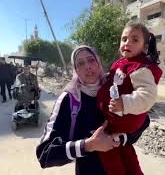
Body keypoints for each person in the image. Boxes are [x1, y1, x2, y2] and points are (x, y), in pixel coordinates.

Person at [36, 46, 150, 175]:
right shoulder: (70, 99)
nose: (87, 66)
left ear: (98, 63)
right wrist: (88, 145)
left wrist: (121, 138)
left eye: (91, 60)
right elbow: (45, 154)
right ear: (76, 70)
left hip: (124, 167)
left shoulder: (116, 88)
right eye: (80, 63)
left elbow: (143, 120)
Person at [96, 21, 163, 175]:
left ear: (145, 47)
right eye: (124, 39)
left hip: (121, 121)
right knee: (128, 156)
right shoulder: (122, 63)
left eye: (135, 40)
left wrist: (124, 103)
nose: (127, 43)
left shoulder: (140, 68)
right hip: (118, 124)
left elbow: (148, 95)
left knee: (109, 156)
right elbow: (116, 80)